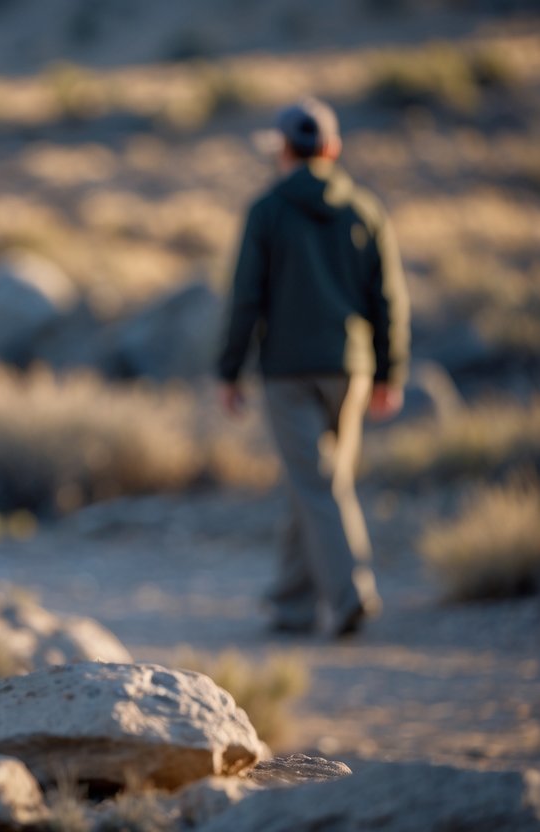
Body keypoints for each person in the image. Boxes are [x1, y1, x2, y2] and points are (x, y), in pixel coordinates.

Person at [217, 97, 410, 638]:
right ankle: (291, 604)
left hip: (286, 371)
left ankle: (350, 596)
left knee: (316, 483)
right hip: (351, 369)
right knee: (317, 482)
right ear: (333, 148)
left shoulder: (268, 209)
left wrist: (228, 371)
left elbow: (244, 297)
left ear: (283, 150)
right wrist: (390, 371)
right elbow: (388, 298)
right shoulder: (365, 208)